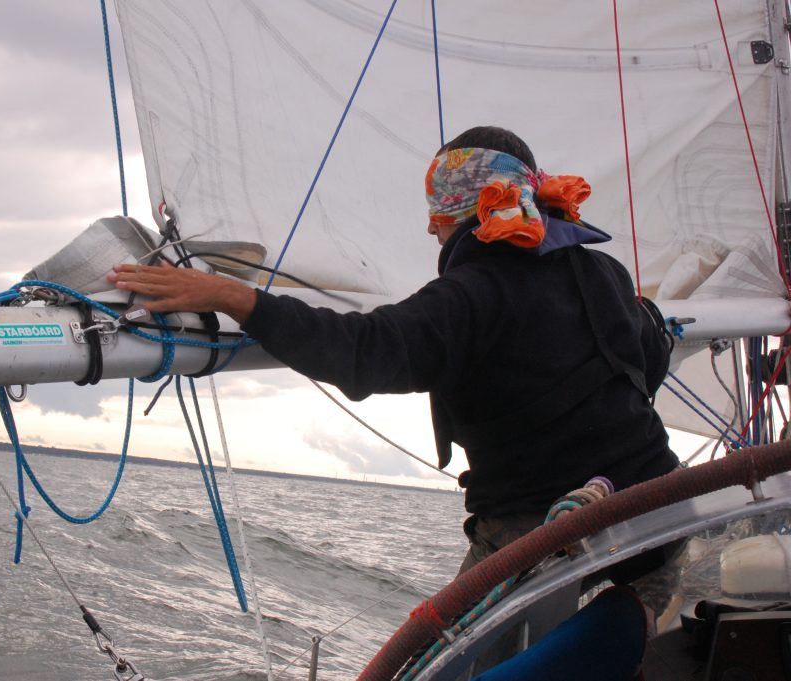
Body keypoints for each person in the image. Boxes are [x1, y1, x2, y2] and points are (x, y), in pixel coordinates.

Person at [107, 126, 679, 575]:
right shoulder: (605, 270)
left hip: (545, 530)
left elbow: (366, 350)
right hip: (661, 508)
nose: (431, 230)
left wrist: (236, 297)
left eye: (439, 210)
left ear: (466, 209)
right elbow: (648, 361)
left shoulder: (472, 293)